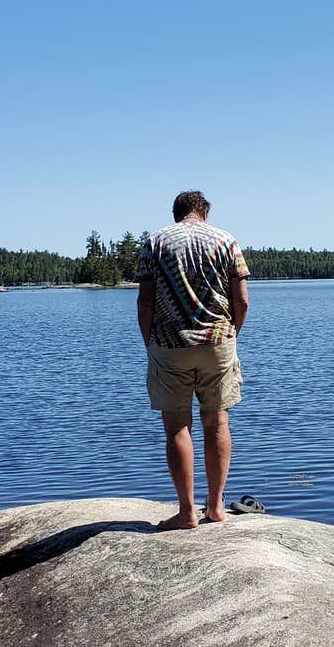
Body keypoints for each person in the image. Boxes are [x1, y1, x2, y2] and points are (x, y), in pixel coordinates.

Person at [136, 190, 250, 530]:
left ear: (177, 213)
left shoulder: (155, 242)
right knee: (217, 424)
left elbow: (144, 302)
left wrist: (150, 344)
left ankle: (186, 514)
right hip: (217, 341)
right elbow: (241, 300)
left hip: (170, 344)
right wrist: (231, 337)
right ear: (204, 212)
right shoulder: (226, 241)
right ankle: (214, 508)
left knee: (177, 429)